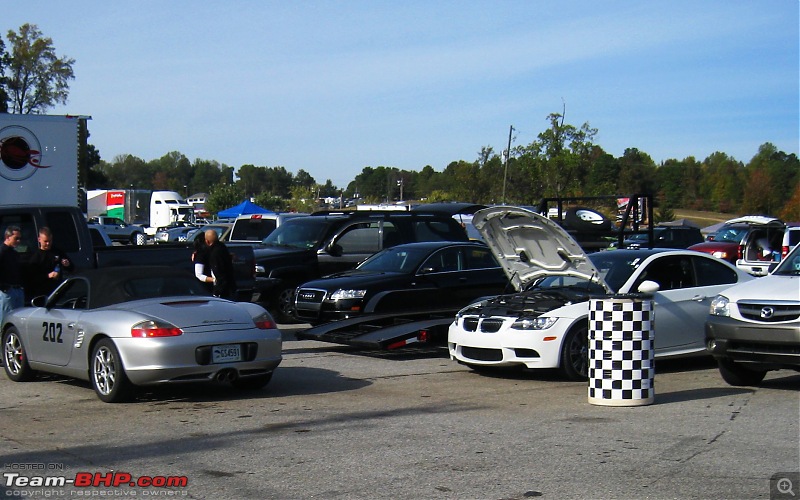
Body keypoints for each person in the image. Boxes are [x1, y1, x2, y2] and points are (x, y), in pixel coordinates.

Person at [23, 227, 73, 302]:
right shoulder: (36, 257)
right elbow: (31, 278)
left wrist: (67, 265)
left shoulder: (57, 252)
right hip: (41, 293)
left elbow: (71, 268)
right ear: (39, 239)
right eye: (45, 241)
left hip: (57, 291)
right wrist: (48, 276)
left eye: (50, 241)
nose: (48, 243)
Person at [0, 225, 25, 324]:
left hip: (18, 290)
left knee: (18, 322)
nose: (18, 241)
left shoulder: (14, 253)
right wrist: (3, 287)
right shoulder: (2, 251)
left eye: (20, 238)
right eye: (16, 238)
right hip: (7, 292)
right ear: (7, 237)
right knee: (5, 321)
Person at [204, 229, 235, 300]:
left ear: (207, 241)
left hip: (223, 290)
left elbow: (220, 274)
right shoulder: (222, 247)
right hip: (231, 285)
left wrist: (217, 291)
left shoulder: (214, 254)